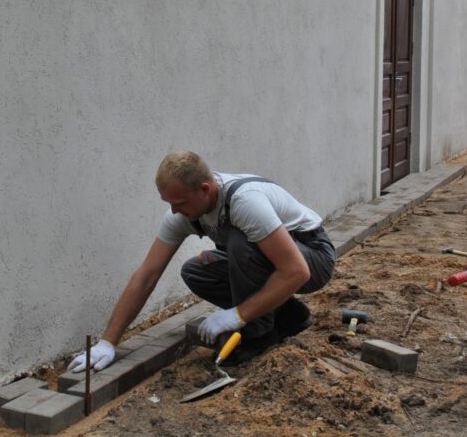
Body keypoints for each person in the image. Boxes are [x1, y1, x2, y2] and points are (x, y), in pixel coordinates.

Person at [68, 151, 336, 373]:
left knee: (240, 243)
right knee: (197, 271)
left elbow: (296, 272)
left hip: (313, 255)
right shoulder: (183, 212)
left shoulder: (244, 203)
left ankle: (257, 337)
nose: (174, 211)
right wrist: (108, 342)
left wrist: (238, 315)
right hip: (277, 261)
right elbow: (147, 275)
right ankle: (290, 316)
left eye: (180, 202)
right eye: (169, 203)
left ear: (205, 189)